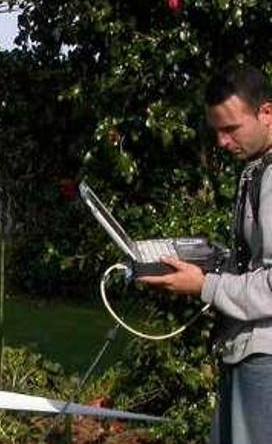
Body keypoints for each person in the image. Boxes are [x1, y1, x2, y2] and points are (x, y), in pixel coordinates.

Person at [140, 63, 272, 444]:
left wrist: (205, 285)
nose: (222, 142)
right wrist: (205, 260)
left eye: (231, 129)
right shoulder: (256, 167)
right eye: (217, 131)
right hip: (245, 350)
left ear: (266, 113)